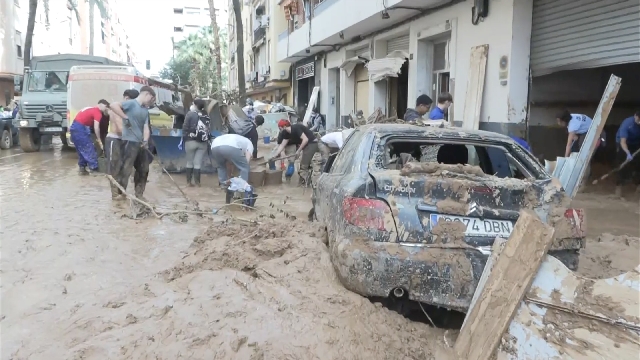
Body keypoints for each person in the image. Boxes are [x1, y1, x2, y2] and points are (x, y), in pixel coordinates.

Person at [109, 86, 156, 198]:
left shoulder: (145, 110)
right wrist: (125, 117)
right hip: (129, 142)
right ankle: (120, 194)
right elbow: (113, 105)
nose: (151, 102)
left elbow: (146, 127)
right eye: (151, 99)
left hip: (141, 143)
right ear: (147, 95)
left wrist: (145, 140)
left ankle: (139, 194)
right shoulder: (131, 103)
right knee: (126, 169)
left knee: (144, 169)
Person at [105, 89, 139, 199]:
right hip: (115, 140)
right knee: (114, 167)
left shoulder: (131, 110)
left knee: (126, 168)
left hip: (128, 140)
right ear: (126, 99)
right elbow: (120, 129)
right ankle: (115, 195)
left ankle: (122, 193)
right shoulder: (116, 110)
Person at [268, 120, 320, 186]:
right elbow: (282, 145)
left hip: (311, 143)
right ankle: (304, 182)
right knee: (304, 164)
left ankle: (305, 184)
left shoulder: (296, 128)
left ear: (284, 126)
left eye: (280, 128)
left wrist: (298, 151)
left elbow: (305, 139)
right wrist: (275, 155)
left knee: (304, 165)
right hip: (305, 145)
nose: (279, 129)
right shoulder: (286, 133)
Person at [69, 99, 110, 175]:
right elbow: (96, 127)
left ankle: (82, 168)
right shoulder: (98, 112)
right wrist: (99, 139)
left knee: (81, 149)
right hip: (80, 128)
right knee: (89, 148)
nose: (106, 110)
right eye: (106, 107)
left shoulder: (89, 108)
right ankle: (94, 169)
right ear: (102, 105)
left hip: (74, 127)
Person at [181, 98, 210, 186]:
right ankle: (198, 183)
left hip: (190, 142)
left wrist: (186, 137)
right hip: (203, 143)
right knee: (197, 163)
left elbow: (185, 127)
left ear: (195, 105)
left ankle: (189, 183)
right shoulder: (206, 115)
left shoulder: (190, 114)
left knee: (189, 162)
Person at [614, 111, 640, 197]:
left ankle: (638, 187)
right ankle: (618, 188)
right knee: (622, 164)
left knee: (638, 164)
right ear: (635, 116)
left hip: (636, 143)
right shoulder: (627, 124)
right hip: (624, 143)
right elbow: (623, 142)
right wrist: (628, 153)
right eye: (639, 119)